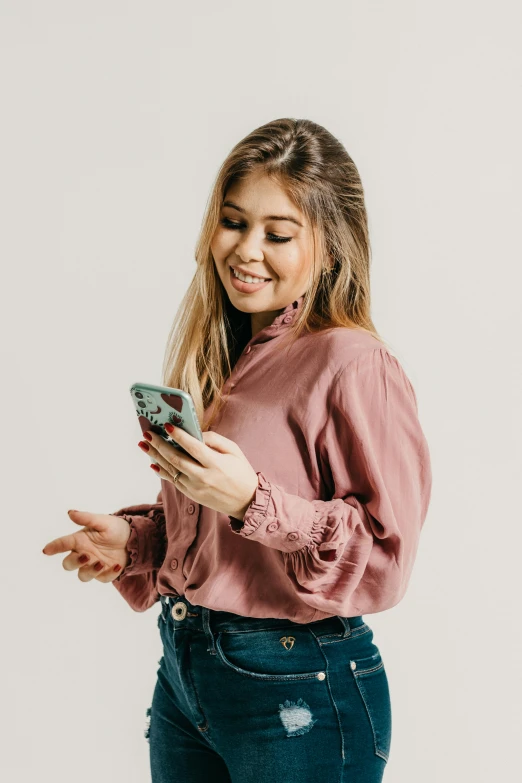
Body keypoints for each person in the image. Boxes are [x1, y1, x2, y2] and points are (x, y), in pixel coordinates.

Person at [42, 118, 432, 783]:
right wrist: (136, 542)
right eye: (233, 222)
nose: (248, 250)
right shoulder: (227, 359)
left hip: (296, 687)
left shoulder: (353, 363)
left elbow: (386, 559)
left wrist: (255, 500)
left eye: (278, 234)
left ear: (331, 247)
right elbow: (226, 545)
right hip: (187, 675)